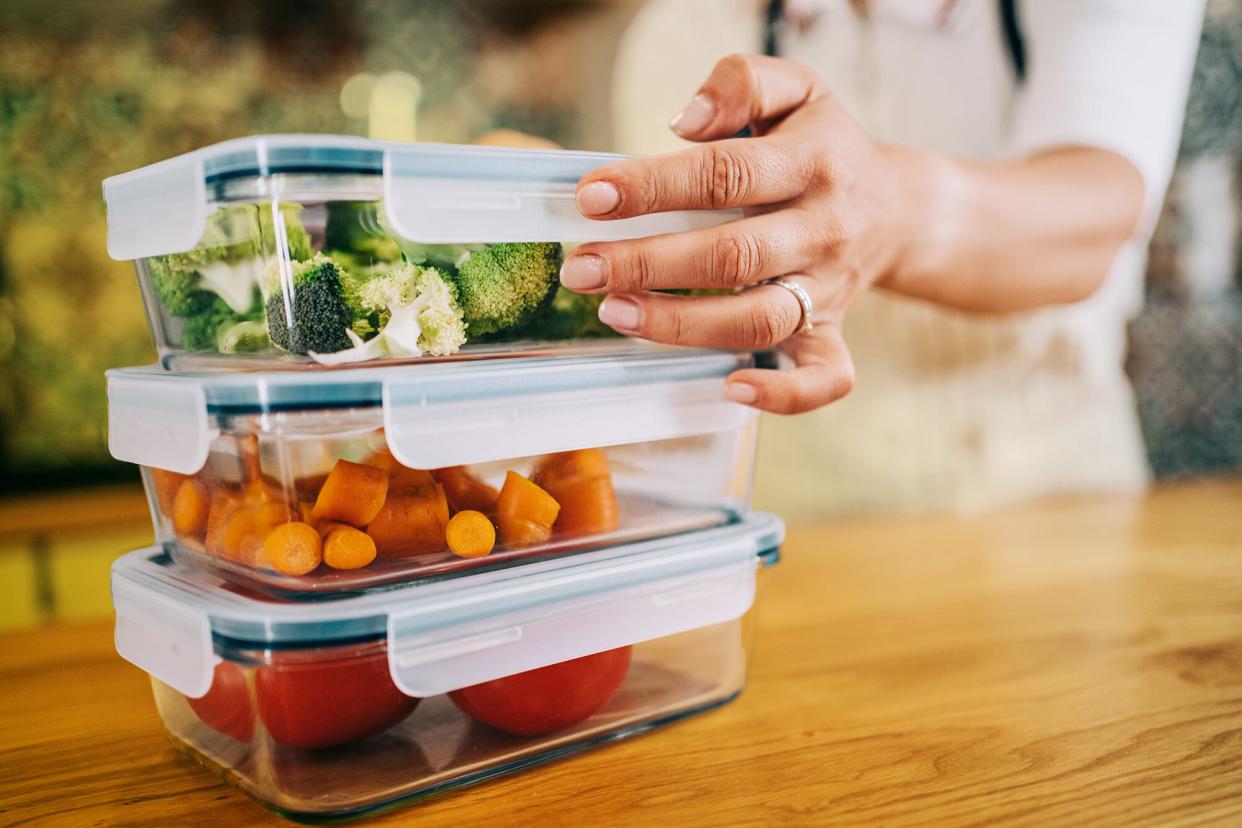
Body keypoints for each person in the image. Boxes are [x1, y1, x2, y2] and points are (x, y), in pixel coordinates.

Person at [560, 0, 1205, 520]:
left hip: (1062, 515)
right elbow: (688, 317)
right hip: (799, 529)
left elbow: (1096, 218)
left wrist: (887, 212)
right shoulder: (679, 28)